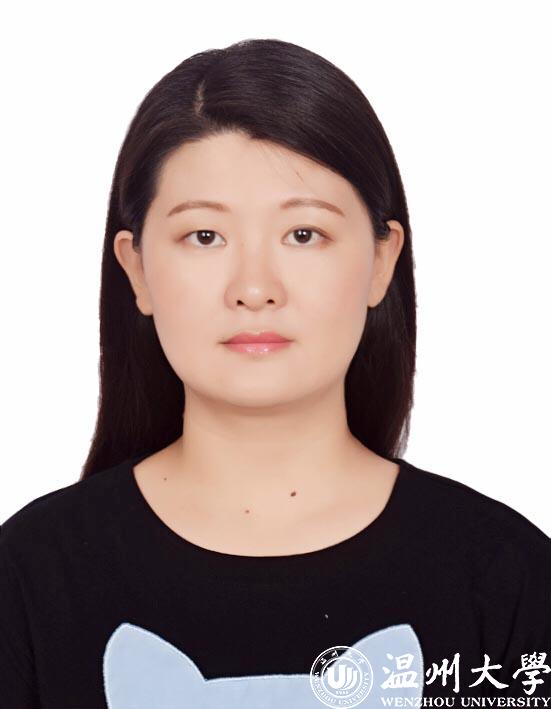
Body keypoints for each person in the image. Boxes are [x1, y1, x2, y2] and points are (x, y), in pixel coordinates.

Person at [1, 38, 549, 708]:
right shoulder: (30, 576)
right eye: (204, 236)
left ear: (381, 260)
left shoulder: (504, 577)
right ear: (136, 267)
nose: (254, 288)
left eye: (303, 234)